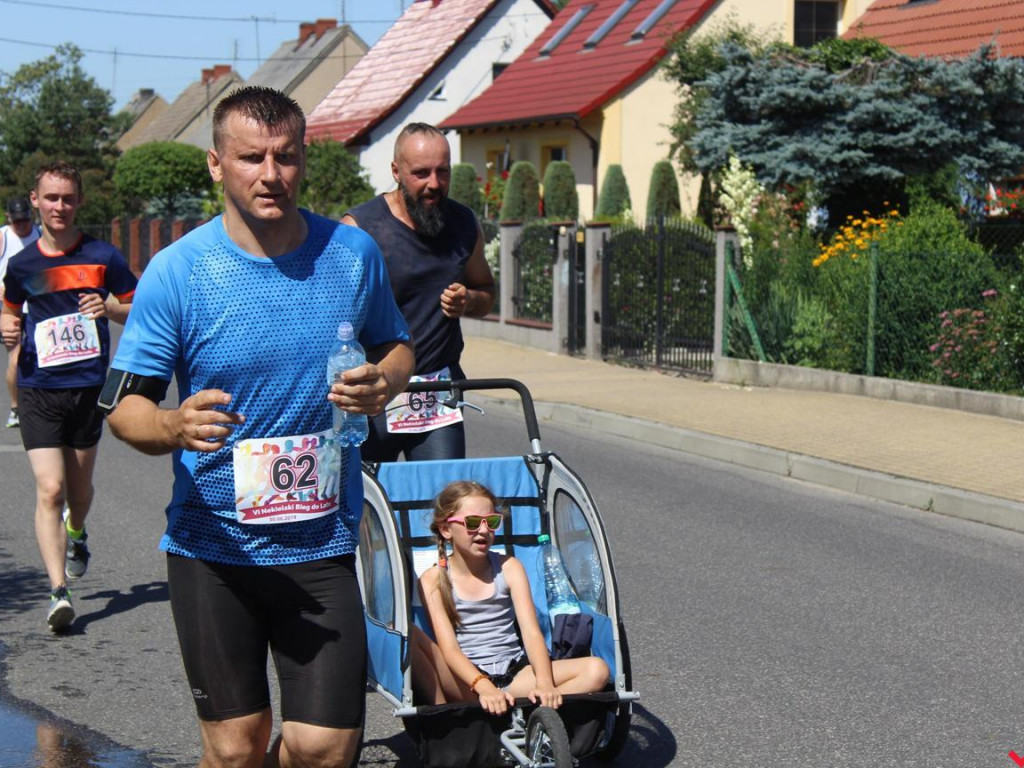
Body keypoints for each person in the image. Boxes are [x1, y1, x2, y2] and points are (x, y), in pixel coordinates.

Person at [102, 86, 414, 768]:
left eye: (286, 157)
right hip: (215, 550)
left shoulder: (351, 256)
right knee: (238, 749)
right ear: (217, 164)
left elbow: (397, 346)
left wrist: (382, 382)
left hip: (322, 539)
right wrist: (173, 424)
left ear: (303, 159)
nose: (270, 174)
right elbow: (124, 409)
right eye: (251, 158)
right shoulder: (177, 273)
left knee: (325, 750)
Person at [0, 163, 136, 632]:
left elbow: (137, 308)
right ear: (35, 200)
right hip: (39, 388)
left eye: (68, 199)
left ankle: (77, 533)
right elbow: (9, 311)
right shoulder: (21, 266)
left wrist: (110, 306)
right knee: (51, 489)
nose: (60, 207)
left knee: (78, 493)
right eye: (51, 198)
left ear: (79, 202)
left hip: (86, 389)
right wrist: (6, 325)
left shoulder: (104, 256)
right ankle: (59, 591)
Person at [343, 123, 495, 462]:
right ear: (396, 171)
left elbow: (486, 292)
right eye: (421, 173)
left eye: (443, 172)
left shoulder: (464, 224)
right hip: (376, 394)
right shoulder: (360, 229)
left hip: (436, 394)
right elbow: (333, 316)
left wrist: (469, 300)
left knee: (443, 503)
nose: (434, 184)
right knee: (369, 507)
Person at [411, 480, 609, 714]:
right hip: (467, 681)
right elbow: (450, 650)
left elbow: (531, 632)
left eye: (492, 522)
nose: (484, 530)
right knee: (408, 635)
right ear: (446, 529)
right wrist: (483, 687)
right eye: (472, 523)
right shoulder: (433, 579)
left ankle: (536, 716)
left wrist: (544, 683)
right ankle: (448, 721)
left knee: (597, 670)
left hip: (515, 674)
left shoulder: (509, 567)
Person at [0, 196, 41, 428]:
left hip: (37, 306)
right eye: (17, 222)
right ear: (9, 219)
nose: (22, 225)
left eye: (25, 220)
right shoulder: (3, 237)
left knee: (41, 357)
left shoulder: (41, 235)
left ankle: (38, 404)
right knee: (15, 358)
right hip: (10, 308)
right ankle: (16, 408)